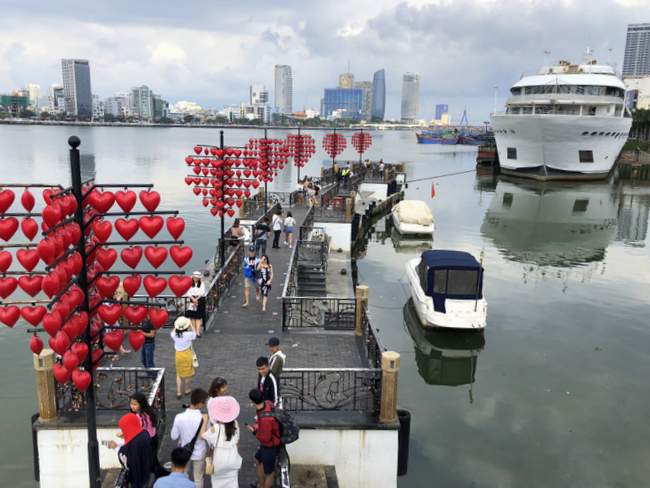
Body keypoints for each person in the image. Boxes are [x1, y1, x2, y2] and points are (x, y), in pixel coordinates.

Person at [170, 388, 209, 488]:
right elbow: (206, 436)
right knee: (198, 478)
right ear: (200, 403)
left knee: (183, 476)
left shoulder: (179, 417)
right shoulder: (203, 418)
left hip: (184, 452)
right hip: (200, 453)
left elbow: (173, 436)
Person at [201, 396, 242, 488]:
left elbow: (202, 436)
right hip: (232, 457)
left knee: (217, 484)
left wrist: (205, 420)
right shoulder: (235, 424)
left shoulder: (216, 428)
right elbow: (237, 442)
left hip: (219, 460)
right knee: (233, 483)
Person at [108, 413, 154, 488]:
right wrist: (126, 436)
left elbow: (125, 458)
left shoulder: (131, 446)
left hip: (138, 480)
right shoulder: (145, 433)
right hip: (150, 472)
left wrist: (115, 447)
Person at [247, 389, 281, 488]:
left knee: (269, 473)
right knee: (258, 460)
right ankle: (261, 485)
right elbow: (262, 422)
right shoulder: (267, 403)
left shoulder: (265, 419)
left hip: (270, 447)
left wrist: (254, 431)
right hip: (267, 445)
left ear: (252, 401)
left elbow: (266, 438)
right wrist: (257, 426)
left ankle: (264, 485)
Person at [130, 392, 168, 478]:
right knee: (153, 460)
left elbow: (138, 431)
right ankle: (163, 474)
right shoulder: (147, 412)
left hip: (148, 441)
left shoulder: (139, 416)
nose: (132, 406)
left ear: (141, 404)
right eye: (131, 404)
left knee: (151, 463)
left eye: (135, 404)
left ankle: (162, 476)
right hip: (153, 438)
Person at [171, 316, 197, 398]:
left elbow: (173, 331)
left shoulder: (174, 335)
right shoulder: (188, 335)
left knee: (178, 374)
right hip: (187, 354)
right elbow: (195, 334)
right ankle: (187, 389)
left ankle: (178, 392)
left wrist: (177, 326)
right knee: (189, 374)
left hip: (178, 355)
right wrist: (191, 324)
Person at [185, 271, 206, 337]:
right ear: (193, 277)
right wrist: (193, 299)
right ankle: (194, 331)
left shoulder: (202, 284)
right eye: (195, 277)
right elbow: (188, 292)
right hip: (192, 299)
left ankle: (197, 332)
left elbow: (202, 292)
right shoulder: (189, 284)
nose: (196, 278)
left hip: (200, 300)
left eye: (197, 277)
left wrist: (196, 299)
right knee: (192, 317)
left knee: (198, 317)